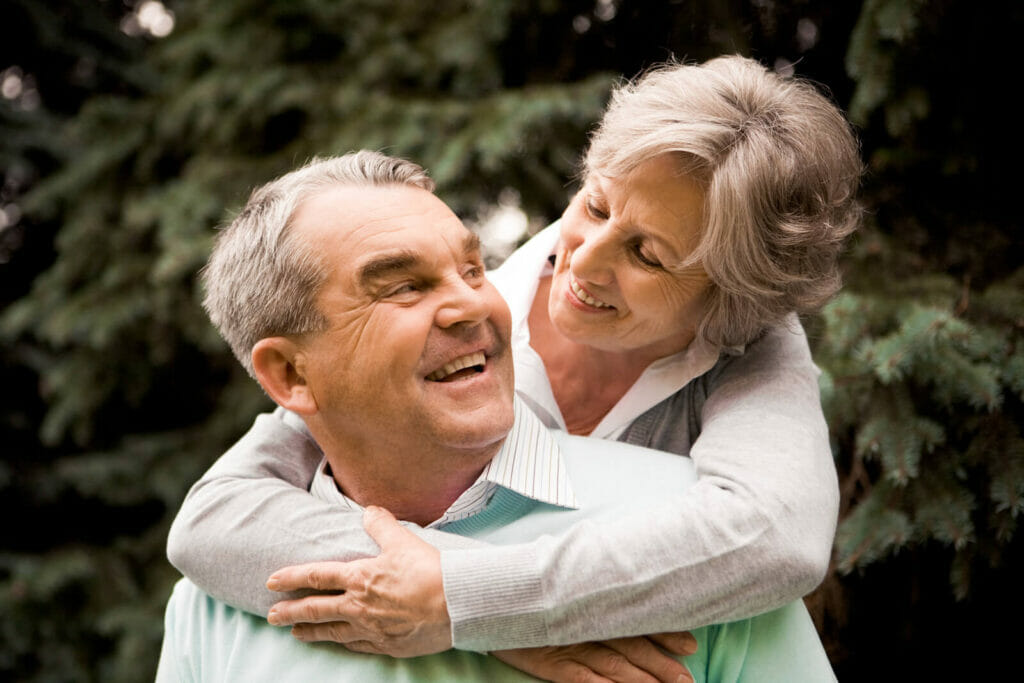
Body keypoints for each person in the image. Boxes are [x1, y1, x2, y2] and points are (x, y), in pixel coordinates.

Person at [167, 54, 862, 656]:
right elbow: (215, 520)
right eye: (594, 205)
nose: (582, 261)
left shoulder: (754, 349)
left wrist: (464, 603)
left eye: (646, 253)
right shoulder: (463, 327)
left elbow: (775, 537)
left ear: (728, 295)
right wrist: (492, 617)